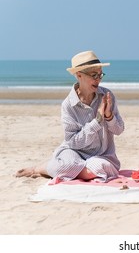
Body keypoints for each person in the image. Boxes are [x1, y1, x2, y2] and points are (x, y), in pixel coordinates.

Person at [15, 50, 125, 182]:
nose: (98, 79)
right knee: (68, 165)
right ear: (79, 75)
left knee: (103, 166)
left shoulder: (107, 96)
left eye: (100, 75)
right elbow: (73, 142)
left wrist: (108, 116)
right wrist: (97, 121)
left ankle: (58, 170)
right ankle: (39, 169)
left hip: (101, 156)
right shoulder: (68, 105)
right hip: (74, 152)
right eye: (94, 75)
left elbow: (119, 130)